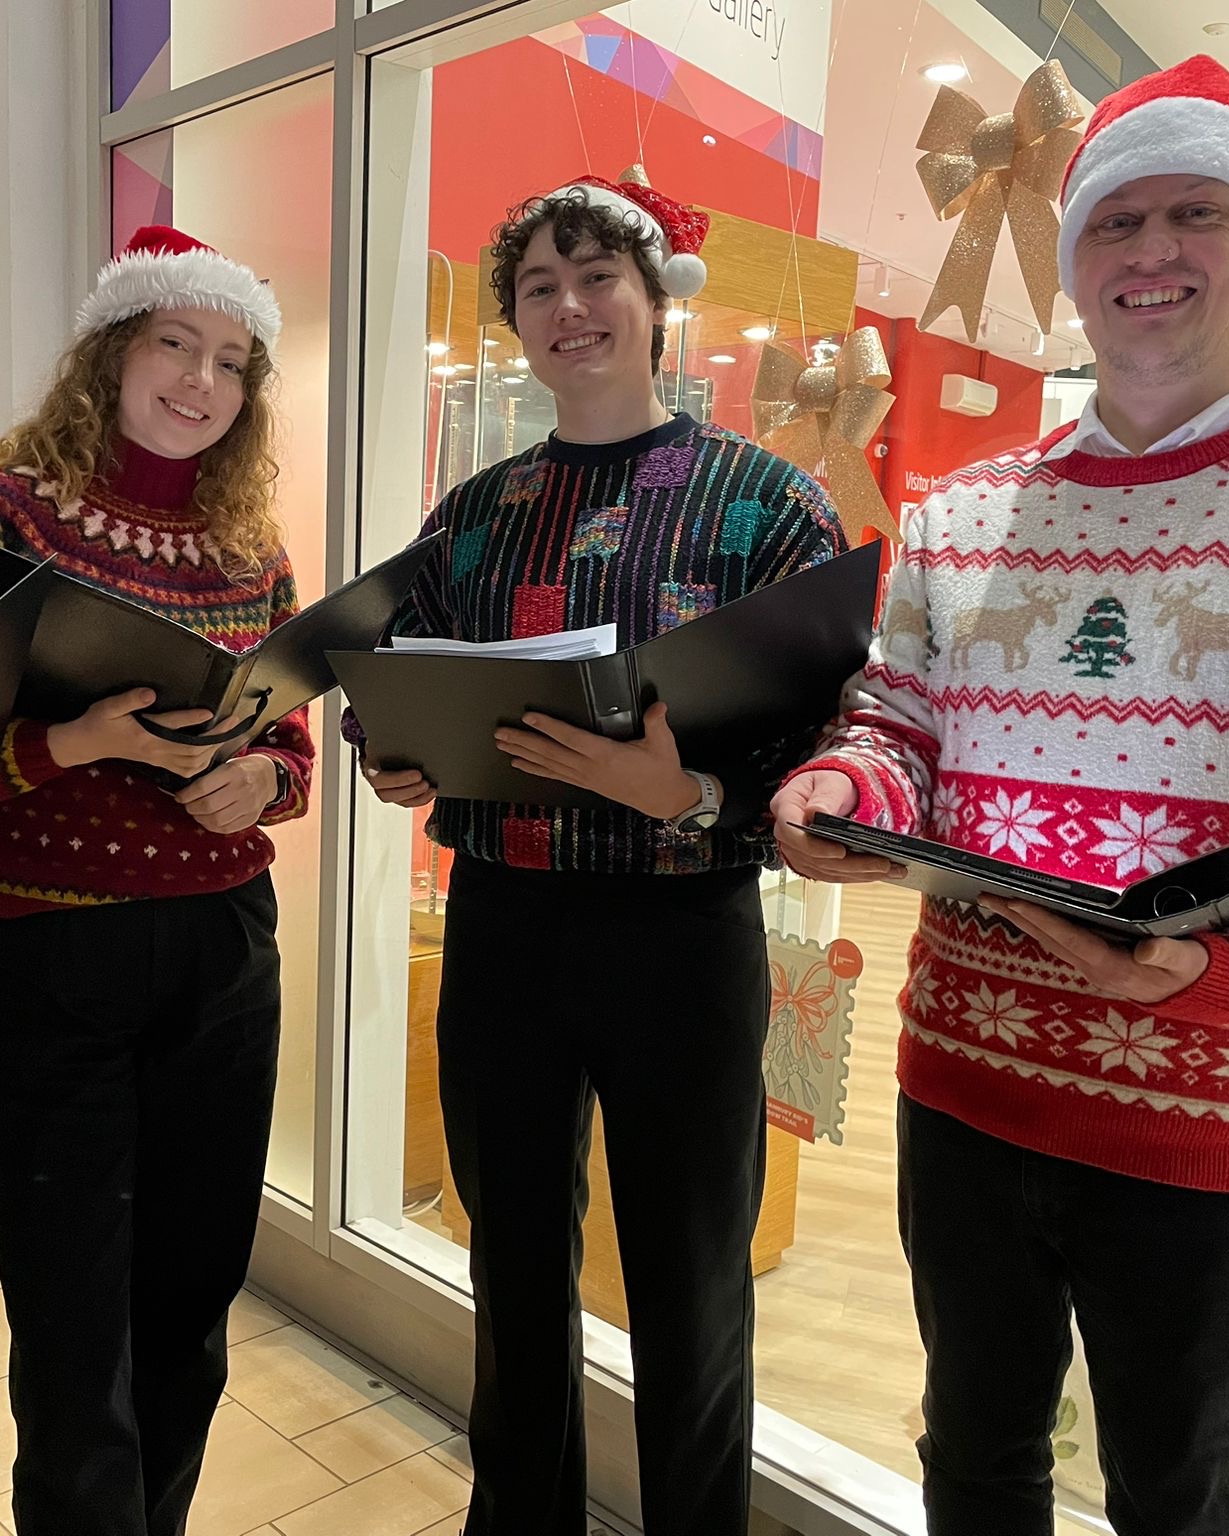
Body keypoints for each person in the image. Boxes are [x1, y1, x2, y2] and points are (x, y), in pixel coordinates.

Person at [772, 56, 1229, 1535]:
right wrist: (836, 787)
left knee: (1181, 1495)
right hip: (968, 1078)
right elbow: (901, 722)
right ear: (1072, 265)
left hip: (1217, 1102)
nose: (1153, 254)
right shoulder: (965, 510)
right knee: (973, 1457)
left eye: (1196, 214)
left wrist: (1228, 974)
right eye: (1116, 223)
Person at [354, 168, 848, 1535]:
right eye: (538, 287)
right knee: (512, 1264)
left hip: (686, 938)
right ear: (516, 319)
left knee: (694, 1280)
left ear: (654, 303)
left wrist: (685, 788)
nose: (569, 308)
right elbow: (389, 679)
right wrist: (391, 752)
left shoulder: (765, 505)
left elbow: (833, 742)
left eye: (597, 278)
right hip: (502, 925)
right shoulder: (475, 512)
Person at [0, 225, 313, 1536]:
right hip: (52, 956)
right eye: (174, 345)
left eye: (232, 362)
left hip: (224, 953)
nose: (202, 382)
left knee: (191, 1313)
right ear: (112, 353)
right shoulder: (6, 512)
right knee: (76, 1334)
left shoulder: (250, 549)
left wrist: (267, 780)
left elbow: (292, 731)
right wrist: (75, 741)